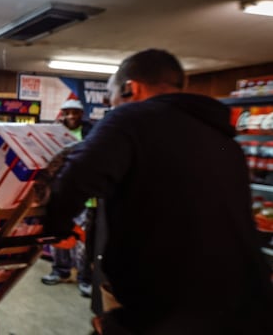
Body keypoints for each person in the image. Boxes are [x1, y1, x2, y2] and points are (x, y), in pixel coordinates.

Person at [45, 49, 273, 334]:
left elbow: (74, 180)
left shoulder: (129, 119)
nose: (111, 105)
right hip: (249, 302)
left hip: (171, 305)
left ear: (131, 88)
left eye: (112, 97)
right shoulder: (225, 139)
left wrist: (55, 225)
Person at [41, 98, 96, 298]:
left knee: (82, 241)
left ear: (82, 114)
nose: (71, 116)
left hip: (84, 196)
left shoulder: (92, 133)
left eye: (75, 112)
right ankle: (60, 271)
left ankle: (85, 279)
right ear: (62, 114)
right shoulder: (54, 133)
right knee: (58, 236)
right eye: (68, 112)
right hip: (58, 194)